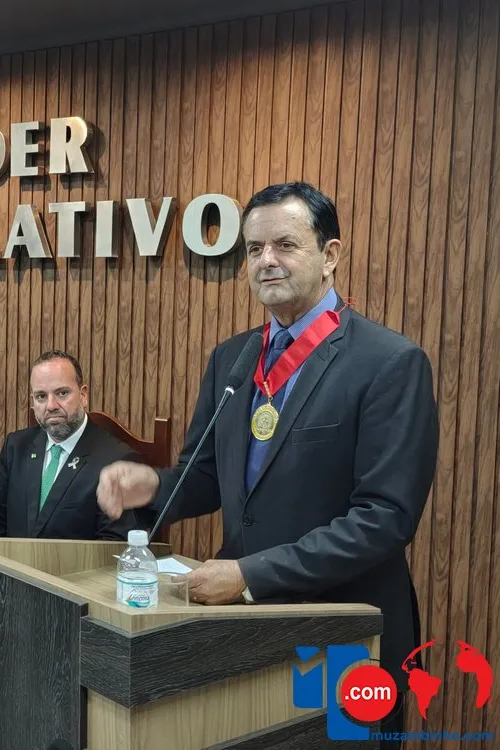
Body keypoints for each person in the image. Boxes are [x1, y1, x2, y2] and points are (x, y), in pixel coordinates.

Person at [96, 182, 438, 742]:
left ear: (330, 255)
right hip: (248, 633)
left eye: (285, 244)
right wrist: (151, 485)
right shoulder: (232, 358)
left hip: (346, 637)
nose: (266, 261)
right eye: (254, 249)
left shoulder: (390, 363)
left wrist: (249, 575)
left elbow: (383, 519)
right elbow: (206, 477)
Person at [0, 350, 139, 540]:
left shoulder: (117, 461)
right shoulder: (16, 447)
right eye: (41, 396)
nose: (51, 406)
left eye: (62, 393)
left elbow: (112, 543)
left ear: (83, 395)